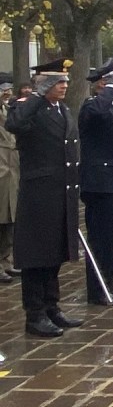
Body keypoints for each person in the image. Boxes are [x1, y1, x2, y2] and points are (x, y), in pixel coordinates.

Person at [5, 60, 83, 337]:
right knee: (36, 256)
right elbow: (14, 123)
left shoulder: (62, 109)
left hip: (61, 192)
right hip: (38, 194)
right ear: (43, 84)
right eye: (56, 81)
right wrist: (37, 96)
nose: (63, 86)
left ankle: (52, 307)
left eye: (64, 81)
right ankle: (34, 314)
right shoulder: (27, 107)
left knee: (54, 253)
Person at [78, 60, 113, 304]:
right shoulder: (92, 106)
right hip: (100, 183)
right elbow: (94, 115)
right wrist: (108, 91)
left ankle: (110, 281)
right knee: (101, 238)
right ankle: (97, 288)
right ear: (102, 83)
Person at [0, 83, 18, 284]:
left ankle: (6, 261)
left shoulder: (8, 109)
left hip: (12, 168)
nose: (7, 93)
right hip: (2, 167)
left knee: (9, 219)